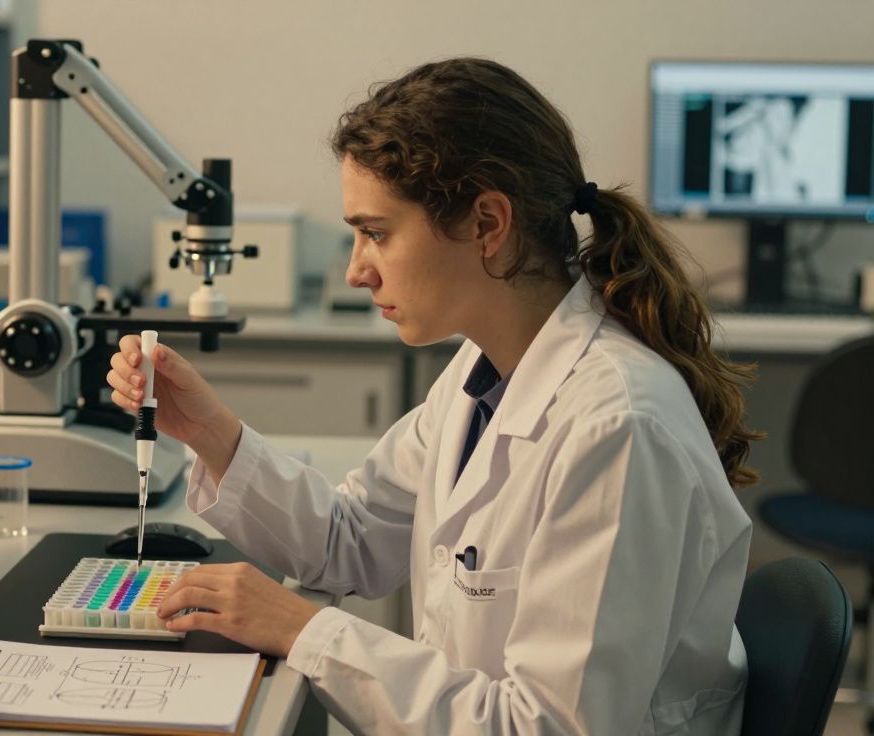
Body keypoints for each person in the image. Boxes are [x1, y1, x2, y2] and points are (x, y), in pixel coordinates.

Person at [107, 58, 760, 734]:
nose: (358, 270)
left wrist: (304, 628)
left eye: (377, 233)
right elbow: (350, 539)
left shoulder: (616, 427)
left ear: (487, 224)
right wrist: (210, 431)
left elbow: (550, 728)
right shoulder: (484, 372)